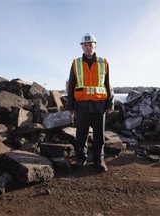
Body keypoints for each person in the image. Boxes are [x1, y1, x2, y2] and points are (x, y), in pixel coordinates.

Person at [67, 33, 113, 172]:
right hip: (81, 104)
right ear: (82, 47)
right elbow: (71, 85)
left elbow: (108, 84)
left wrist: (110, 104)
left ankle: (99, 160)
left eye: (90, 45)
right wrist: (71, 106)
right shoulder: (76, 63)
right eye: (85, 45)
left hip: (99, 104)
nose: (88, 47)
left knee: (99, 134)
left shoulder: (103, 62)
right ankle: (81, 159)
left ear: (95, 45)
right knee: (82, 133)